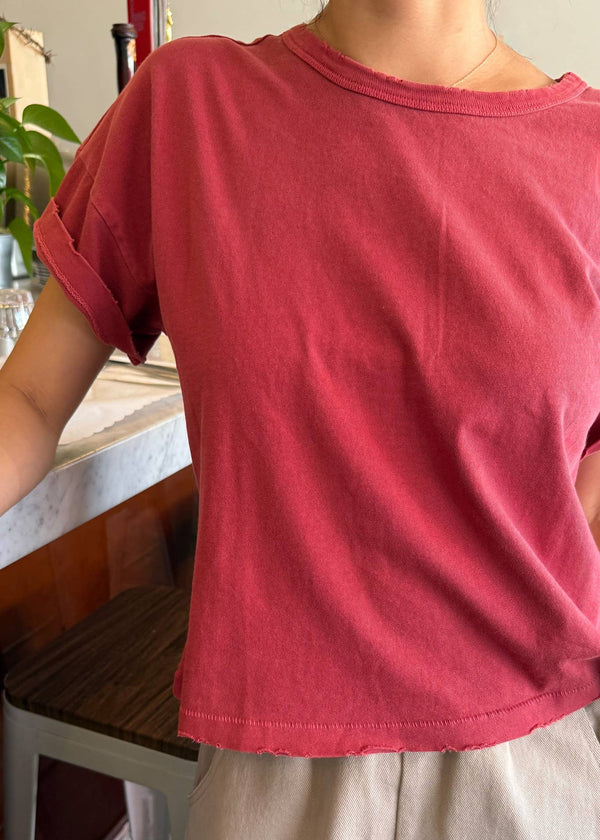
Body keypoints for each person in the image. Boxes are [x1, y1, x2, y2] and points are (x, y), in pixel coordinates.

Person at [2, 0, 600, 837]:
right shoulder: (188, 106)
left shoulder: (590, 151)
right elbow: (26, 399)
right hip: (273, 769)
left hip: (533, 758)